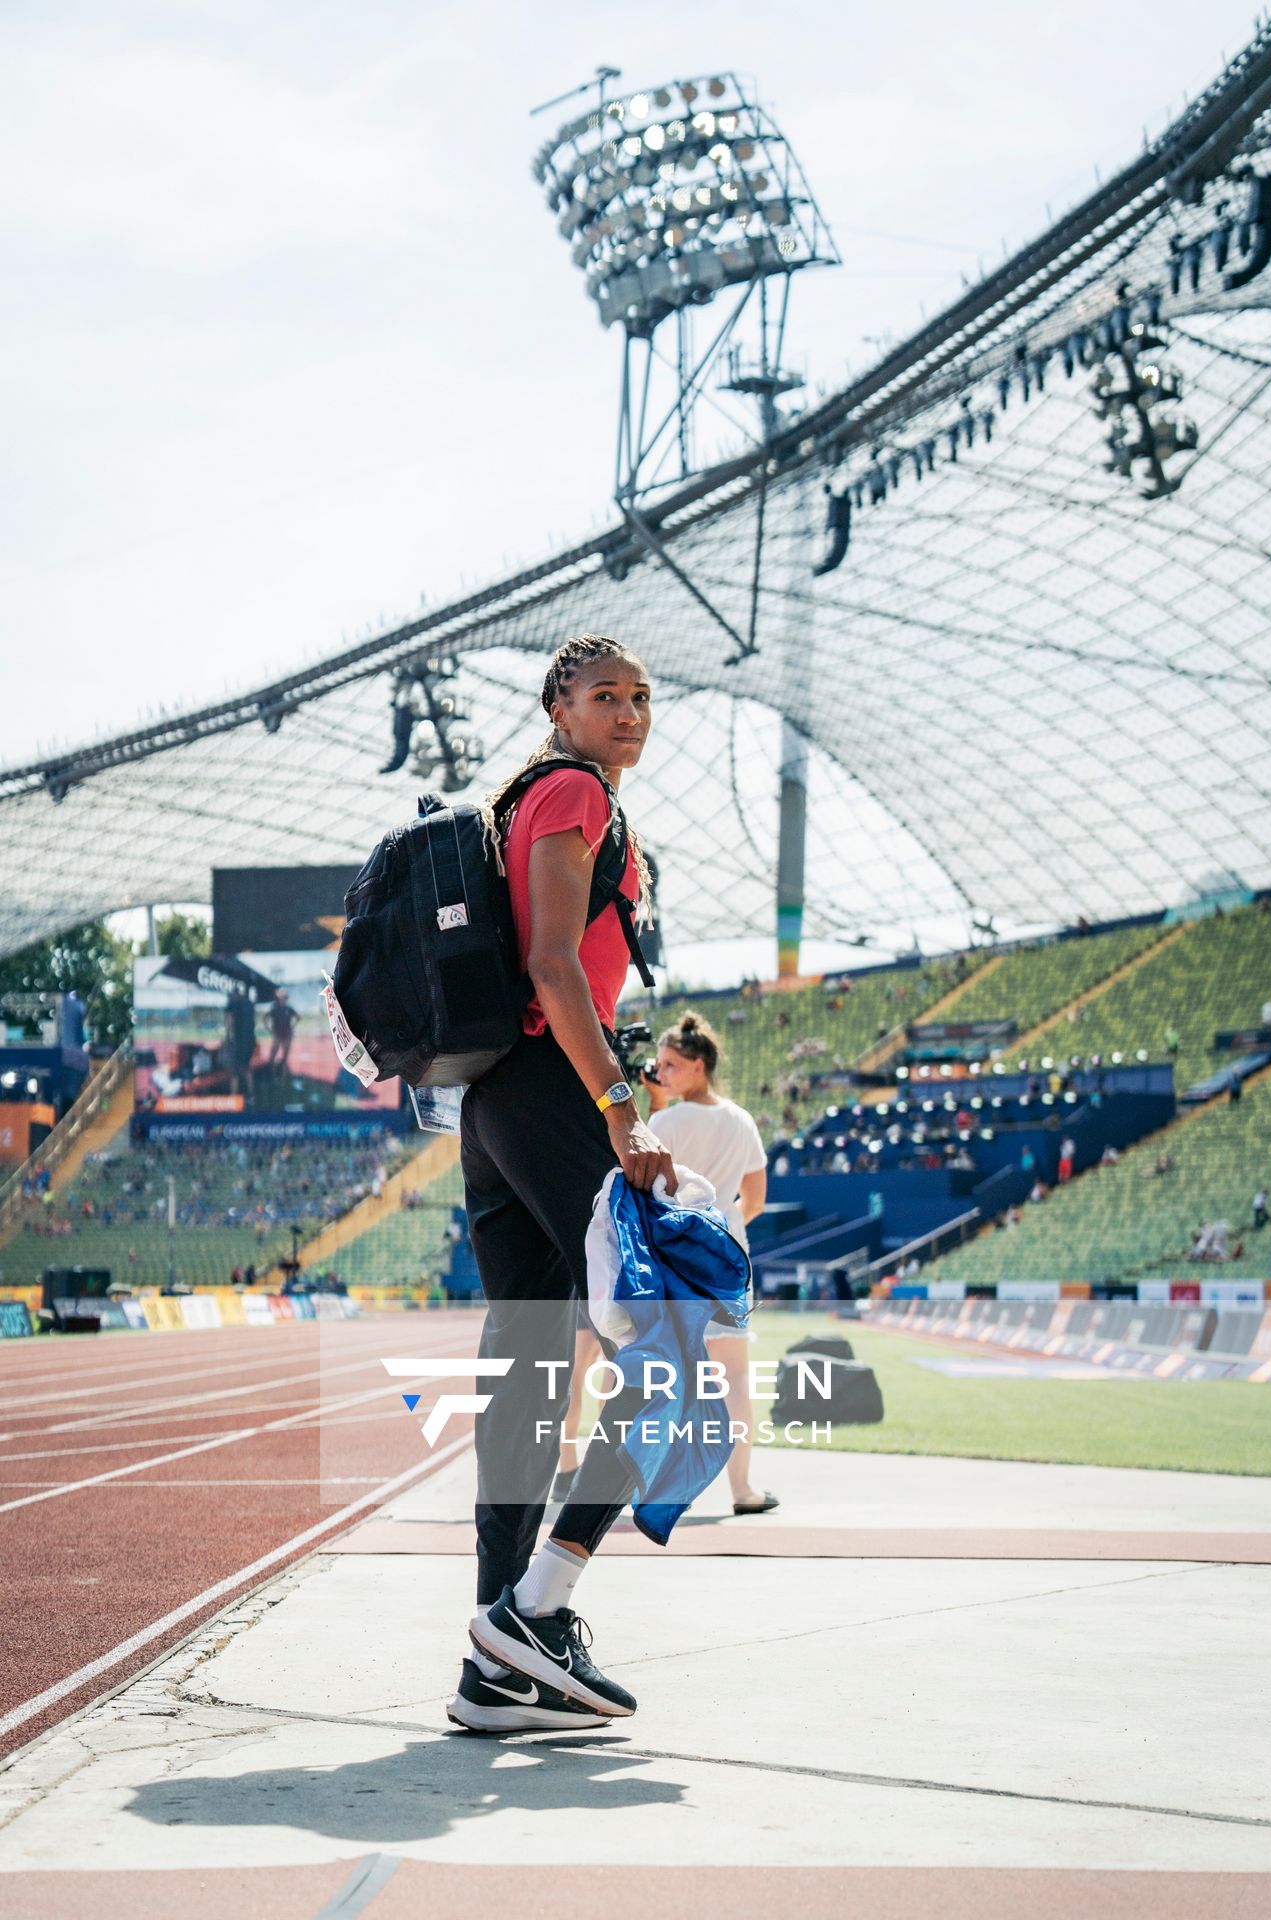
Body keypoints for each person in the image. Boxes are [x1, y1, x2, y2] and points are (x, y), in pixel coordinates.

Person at [449, 633, 678, 1738]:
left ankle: (492, 1670)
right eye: (604, 695)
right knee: (676, 1341)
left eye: (640, 696)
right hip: (548, 1088)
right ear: (559, 707)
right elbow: (551, 965)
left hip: (496, 1100)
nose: (627, 712)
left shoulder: (537, 798)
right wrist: (619, 1108)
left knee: (530, 1373)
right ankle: (535, 1609)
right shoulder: (574, 792)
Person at [642, 1012, 773, 1515]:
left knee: (668, 1376)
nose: (661, 1074)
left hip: (677, 1257)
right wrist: (725, 1222)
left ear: (698, 1066)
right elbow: (755, 1199)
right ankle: (742, 1489)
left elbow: (649, 1195)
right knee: (734, 1377)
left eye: (670, 1065)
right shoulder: (742, 1120)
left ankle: (660, 1489)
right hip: (728, 1255)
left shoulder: (665, 1123)